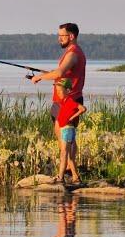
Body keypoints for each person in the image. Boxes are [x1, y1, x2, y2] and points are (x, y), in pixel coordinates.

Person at [29, 23, 87, 182]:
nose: (59, 39)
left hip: (69, 101)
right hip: (60, 101)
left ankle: (69, 172)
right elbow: (62, 74)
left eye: (62, 36)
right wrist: (46, 74)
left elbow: (60, 72)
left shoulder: (73, 53)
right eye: (59, 35)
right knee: (66, 139)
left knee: (66, 140)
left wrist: (39, 77)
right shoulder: (70, 53)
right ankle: (69, 170)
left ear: (71, 36)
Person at [52, 78, 86, 185]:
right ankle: (76, 177)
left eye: (60, 91)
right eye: (57, 91)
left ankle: (60, 177)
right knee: (70, 157)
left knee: (64, 154)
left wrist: (72, 118)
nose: (58, 93)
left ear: (67, 91)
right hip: (66, 129)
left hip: (67, 129)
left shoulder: (70, 101)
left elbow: (83, 108)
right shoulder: (64, 101)